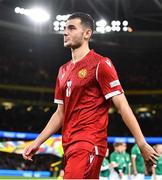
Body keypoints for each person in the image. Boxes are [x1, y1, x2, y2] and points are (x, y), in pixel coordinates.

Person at [22, 12, 159, 179]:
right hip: (69, 145)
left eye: (72, 28)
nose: (65, 32)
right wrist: (37, 143)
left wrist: (142, 143)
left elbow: (122, 106)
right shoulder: (62, 71)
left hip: (89, 143)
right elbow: (60, 113)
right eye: (65, 28)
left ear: (87, 33)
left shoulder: (101, 64)